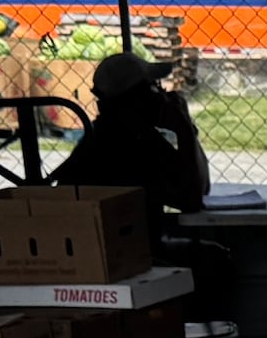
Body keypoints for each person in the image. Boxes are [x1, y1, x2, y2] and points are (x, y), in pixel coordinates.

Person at [51, 52, 213, 219]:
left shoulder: (100, 138)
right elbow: (192, 198)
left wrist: (186, 129)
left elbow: (198, 189)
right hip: (131, 244)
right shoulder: (133, 145)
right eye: (155, 86)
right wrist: (184, 128)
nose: (163, 93)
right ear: (139, 97)